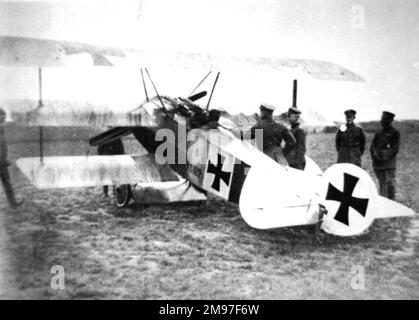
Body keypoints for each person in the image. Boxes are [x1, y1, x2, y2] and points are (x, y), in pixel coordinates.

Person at [370, 111, 400, 200]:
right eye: (381, 118)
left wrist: (383, 157)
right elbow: (372, 146)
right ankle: (384, 205)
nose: (382, 121)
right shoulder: (378, 132)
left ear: (390, 120)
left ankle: (392, 205)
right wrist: (375, 155)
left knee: (390, 185)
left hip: (388, 165)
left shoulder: (395, 132)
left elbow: (394, 149)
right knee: (382, 185)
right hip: (378, 165)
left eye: (384, 119)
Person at [0, 107, 21, 207]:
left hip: (2, 161)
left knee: (7, 183)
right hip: (1, 160)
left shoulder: (2, 128)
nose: (4, 118)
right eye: (2, 116)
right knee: (7, 183)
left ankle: (13, 203)